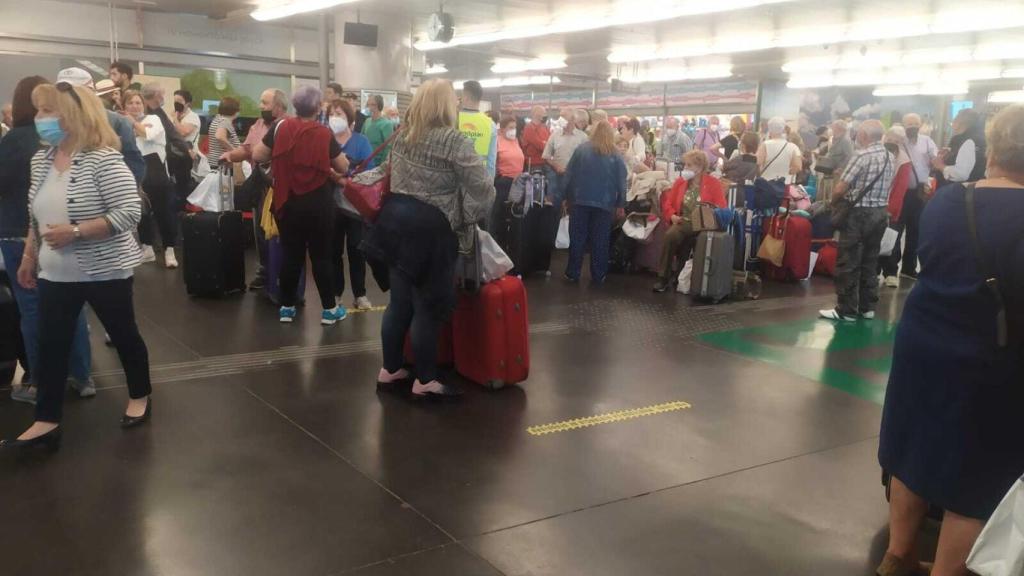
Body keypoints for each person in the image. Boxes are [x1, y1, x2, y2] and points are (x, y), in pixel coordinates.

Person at [876, 104, 1024, 576]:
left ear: (993, 147)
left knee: (913, 451)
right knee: (976, 479)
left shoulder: (945, 200)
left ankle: (897, 556)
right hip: (989, 358)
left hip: (921, 342)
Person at [0, 82, 152, 452]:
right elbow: (37, 215)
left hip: (105, 270)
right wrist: (29, 258)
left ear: (72, 116)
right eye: (39, 112)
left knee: (124, 334)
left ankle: (140, 396)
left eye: (48, 112)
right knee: (52, 345)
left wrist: (78, 232)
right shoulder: (41, 160)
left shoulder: (103, 159)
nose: (40, 120)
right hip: (55, 272)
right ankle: (46, 419)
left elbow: (130, 211)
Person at [362, 79, 494, 398]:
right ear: (448, 106)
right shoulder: (454, 141)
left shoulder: (404, 135)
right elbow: (483, 188)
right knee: (428, 307)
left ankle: (390, 370)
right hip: (431, 231)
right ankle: (425, 380)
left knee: (398, 304)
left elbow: (390, 173)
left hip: (394, 224)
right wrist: (464, 216)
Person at [0, 75, 94, 405]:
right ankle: (82, 375)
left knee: (33, 309)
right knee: (72, 306)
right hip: (63, 234)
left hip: (17, 233)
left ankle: (40, 382)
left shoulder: (12, 143)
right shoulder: (62, 145)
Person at [250, 85, 350, 325]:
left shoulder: (280, 127)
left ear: (295, 105)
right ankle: (329, 310)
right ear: (317, 108)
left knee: (291, 255)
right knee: (321, 257)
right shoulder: (324, 134)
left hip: (288, 202)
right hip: (319, 205)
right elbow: (343, 167)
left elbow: (258, 155)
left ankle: (286, 307)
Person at [819, 119, 894, 321]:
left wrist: (832, 202)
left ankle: (846, 310)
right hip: (880, 214)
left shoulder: (860, 155)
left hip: (858, 214)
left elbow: (841, 187)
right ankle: (867, 307)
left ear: (863, 136)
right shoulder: (890, 156)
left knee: (849, 261)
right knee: (871, 260)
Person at [222, 89, 290, 290]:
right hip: (260, 185)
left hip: (282, 187)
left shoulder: (289, 125)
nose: (261, 106)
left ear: (278, 106)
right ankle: (265, 269)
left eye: (265, 103)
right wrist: (230, 156)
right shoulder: (258, 125)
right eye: (261, 102)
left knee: (280, 231)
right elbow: (246, 150)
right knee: (260, 230)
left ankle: (282, 271)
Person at [652, 150, 727, 292]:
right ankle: (663, 277)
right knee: (670, 236)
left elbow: (721, 207)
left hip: (703, 224)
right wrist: (672, 215)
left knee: (688, 242)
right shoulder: (681, 182)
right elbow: (667, 204)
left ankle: (681, 276)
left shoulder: (713, 183)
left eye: (689, 165)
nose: (685, 168)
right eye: (685, 165)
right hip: (683, 221)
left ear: (699, 167)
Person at [561, 121, 627, 284]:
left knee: (577, 238)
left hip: (579, 201)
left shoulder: (581, 150)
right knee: (600, 240)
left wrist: (565, 197)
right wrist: (621, 204)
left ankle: (572, 273)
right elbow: (622, 182)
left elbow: (568, 175)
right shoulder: (616, 154)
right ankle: (599, 275)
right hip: (605, 203)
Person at [56, 67, 144, 185]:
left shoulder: (117, 122)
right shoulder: (56, 123)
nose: (67, 98)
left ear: (89, 93)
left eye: (73, 92)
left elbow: (135, 167)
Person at [327, 97, 374, 311]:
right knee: (334, 251)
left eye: (340, 114)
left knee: (357, 250)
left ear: (349, 118)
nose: (335, 118)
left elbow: (369, 173)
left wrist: (341, 178)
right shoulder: (325, 140)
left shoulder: (361, 141)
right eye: (332, 114)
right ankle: (336, 293)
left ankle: (360, 294)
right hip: (331, 206)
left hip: (355, 207)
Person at [123, 89, 177, 268]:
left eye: (138, 102)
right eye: (130, 103)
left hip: (157, 173)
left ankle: (170, 250)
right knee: (141, 213)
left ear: (144, 105)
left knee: (164, 213)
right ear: (125, 106)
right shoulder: (122, 124)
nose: (134, 106)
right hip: (134, 173)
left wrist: (133, 123)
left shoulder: (153, 120)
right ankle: (147, 249)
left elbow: (147, 134)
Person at [894, 113, 938, 280]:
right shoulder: (899, 142)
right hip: (901, 192)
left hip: (919, 193)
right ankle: (891, 268)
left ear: (920, 125)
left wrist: (936, 160)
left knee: (916, 231)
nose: (912, 126)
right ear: (904, 125)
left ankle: (909, 268)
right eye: (909, 123)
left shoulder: (927, 141)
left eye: (915, 123)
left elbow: (935, 160)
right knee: (896, 230)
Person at [878, 126, 913, 288]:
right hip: (875, 203)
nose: (891, 142)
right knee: (875, 239)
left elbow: (900, 188)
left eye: (895, 141)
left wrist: (891, 210)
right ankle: (874, 271)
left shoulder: (904, 161)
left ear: (900, 143)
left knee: (892, 238)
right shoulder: (878, 153)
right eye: (889, 139)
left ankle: (891, 272)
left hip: (892, 206)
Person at [542, 108, 589, 206]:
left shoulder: (583, 137)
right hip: (557, 177)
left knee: (572, 207)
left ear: (572, 119)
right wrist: (556, 166)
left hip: (575, 180)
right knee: (555, 208)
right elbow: (546, 156)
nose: (560, 119)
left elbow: (587, 159)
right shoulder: (554, 135)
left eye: (563, 116)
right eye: (560, 116)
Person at [933, 107, 987, 185]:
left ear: (960, 123)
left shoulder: (969, 141)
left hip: (960, 192)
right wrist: (951, 153)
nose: (952, 123)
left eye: (954, 120)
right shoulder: (977, 138)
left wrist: (940, 166)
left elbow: (960, 175)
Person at [457, 81, 498, 178]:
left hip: (457, 176)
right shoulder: (490, 124)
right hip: (480, 177)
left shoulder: (454, 120)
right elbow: (491, 160)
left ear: (465, 97)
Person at [493, 114, 525, 233]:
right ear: (502, 129)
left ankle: (514, 245)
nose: (514, 130)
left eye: (515, 127)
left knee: (516, 216)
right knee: (501, 216)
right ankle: (499, 244)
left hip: (518, 183)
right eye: (510, 127)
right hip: (503, 183)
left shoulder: (516, 141)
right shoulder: (496, 141)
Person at [757, 116, 803, 184]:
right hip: (784, 184)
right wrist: (787, 173)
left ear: (769, 129)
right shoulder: (793, 147)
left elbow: (758, 162)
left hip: (766, 184)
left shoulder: (765, 145)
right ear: (783, 129)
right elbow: (798, 167)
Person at [207, 96, 240, 169]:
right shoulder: (225, 121)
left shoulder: (217, 119)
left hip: (214, 161)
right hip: (223, 165)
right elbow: (219, 136)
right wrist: (235, 152)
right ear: (234, 110)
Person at [363, 94, 395, 166]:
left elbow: (388, 147)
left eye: (373, 105)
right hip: (364, 161)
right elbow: (362, 139)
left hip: (377, 163)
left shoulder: (386, 124)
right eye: (368, 104)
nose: (369, 107)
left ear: (379, 105)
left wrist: (382, 165)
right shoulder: (367, 121)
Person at [521, 105, 550, 171]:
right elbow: (540, 145)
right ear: (537, 114)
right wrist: (545, 143)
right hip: (534, 164)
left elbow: (551, 144)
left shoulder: (545, 128)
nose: (545, 115)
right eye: (544, 113)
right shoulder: (529, 128)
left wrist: (545, 144)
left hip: (546, 162)